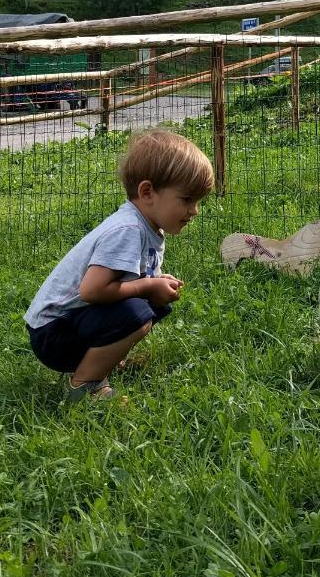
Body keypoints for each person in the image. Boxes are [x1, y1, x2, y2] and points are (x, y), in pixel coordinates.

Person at [24, 129, 214, 402]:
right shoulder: (127, 229)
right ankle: (85, 386)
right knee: (135, 313)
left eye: (197, 202)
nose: (194, 210)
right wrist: (148, 285)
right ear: (147, 192)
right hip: (53, 332)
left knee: (151, 305)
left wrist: (156, 284)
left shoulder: (146, 226)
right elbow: (92, 291)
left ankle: (102, 360)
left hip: (67, 326)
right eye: (187, 200)